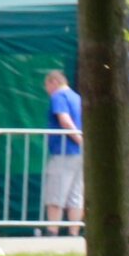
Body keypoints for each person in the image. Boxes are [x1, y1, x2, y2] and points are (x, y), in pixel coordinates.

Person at [42, 70, 84, 235]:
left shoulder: (59, 96)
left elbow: (65, 120)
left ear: (53, 82)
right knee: (76, 195)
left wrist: (78, 139)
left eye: (46, 86)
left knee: (56, 193)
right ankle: (74, 233)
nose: (47, 91)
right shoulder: (77, 97)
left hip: (63, 150)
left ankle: (52, 231)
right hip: (79, 154)